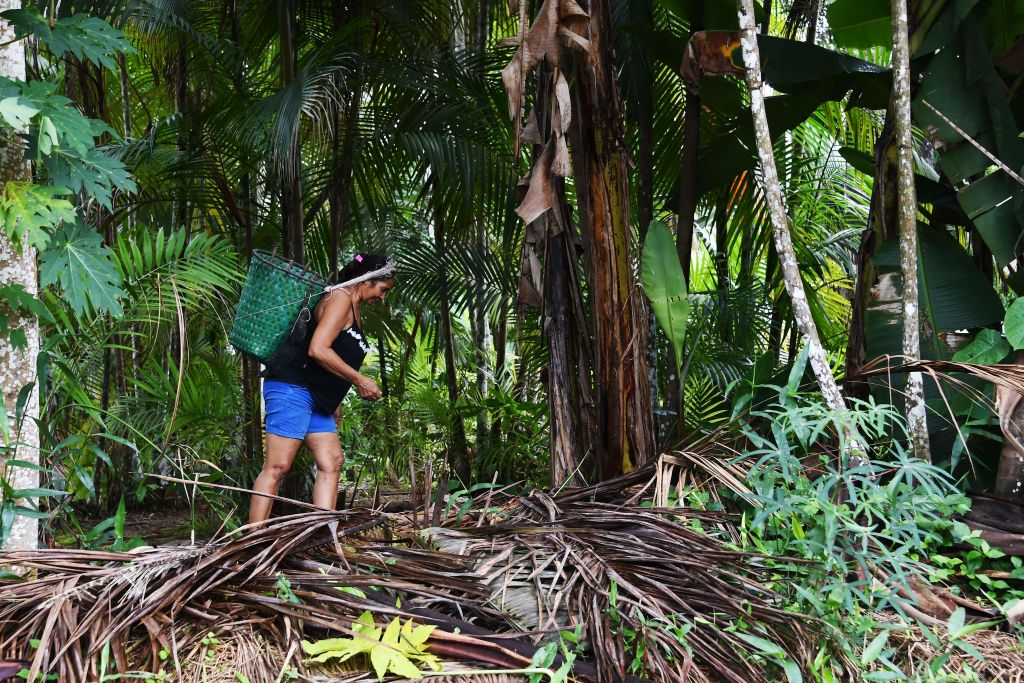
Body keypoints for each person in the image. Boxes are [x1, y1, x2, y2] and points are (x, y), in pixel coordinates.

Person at [248, 253, 396, 524]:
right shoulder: (339, 298)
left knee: (332, 461)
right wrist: (361, 380)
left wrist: (335, 401)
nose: (383, 297)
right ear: (367, 280)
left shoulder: (354, 307)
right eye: (383, 289)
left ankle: (322, 534)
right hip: (292, 387)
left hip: (316, 397)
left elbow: (333, 359)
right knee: (278, 467)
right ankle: (252, 542)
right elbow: (318, 349)